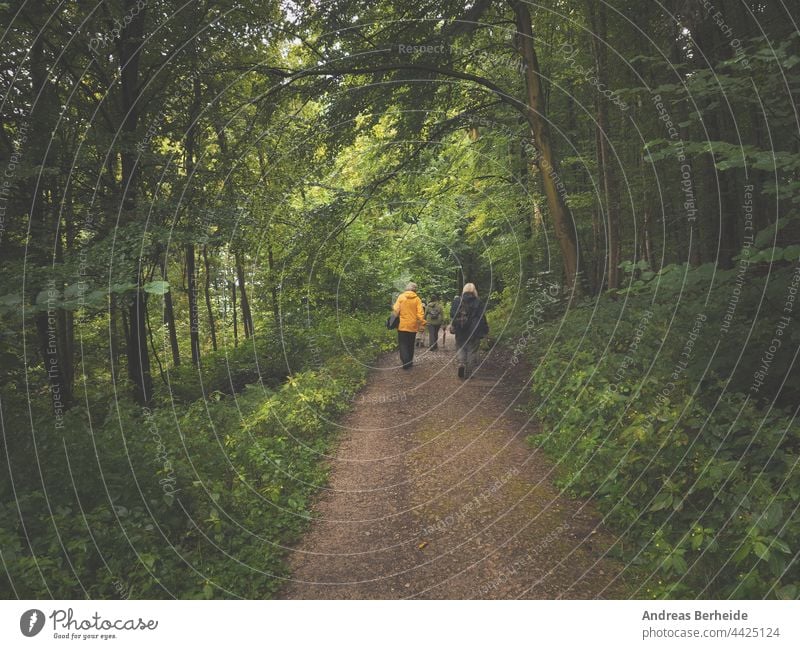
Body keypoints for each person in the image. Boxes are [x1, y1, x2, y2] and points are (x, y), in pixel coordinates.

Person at [449, 283, 489, 379]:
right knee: (472, 351)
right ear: (474, 291)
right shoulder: (478, 302)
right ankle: (468, 373)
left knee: (460, 347)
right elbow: (482, 317)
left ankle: (461, 363)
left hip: (460, 328)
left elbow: (452, 314)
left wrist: (455, 324)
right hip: (474, 330)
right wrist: (485, 329)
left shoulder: (457, 301)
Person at [392, 282, 425, 369]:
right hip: (413, 326)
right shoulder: (417, 299)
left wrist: (393, 320)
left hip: (402, 326)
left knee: (403, 344)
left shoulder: (401, 297)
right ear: (415, 289)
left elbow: (396, 310)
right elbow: (420, 314)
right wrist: (422, 323)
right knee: (410, 344)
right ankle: (409, 362)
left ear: (406, 288)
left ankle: (405, 361)